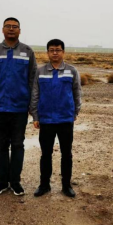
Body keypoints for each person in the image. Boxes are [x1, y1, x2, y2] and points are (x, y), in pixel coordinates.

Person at [0, 18, 37, 196]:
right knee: (1, 145)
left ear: (20, 30)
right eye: (8, 26)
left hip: (19, 108)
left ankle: (15, 182)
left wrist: (32, 106)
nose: (11, 29)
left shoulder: (27, 51)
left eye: (15, 27)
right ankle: (2, 183)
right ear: (3, 30)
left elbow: (33, 80)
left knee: (18, 145)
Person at [30, 39, 82, 198]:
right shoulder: (40, 71)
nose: (55, 53)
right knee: (46, 154)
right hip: (46, 119)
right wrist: (35, 115)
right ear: (47, 52)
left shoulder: (72, 71)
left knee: (67, 154)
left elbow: (77, 93)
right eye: (51, 50)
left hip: (65, 119)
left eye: (58, 50)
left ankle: (66, 186)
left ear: (63, 52)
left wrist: (75, 112)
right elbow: (35, 94)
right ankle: (44, 185)